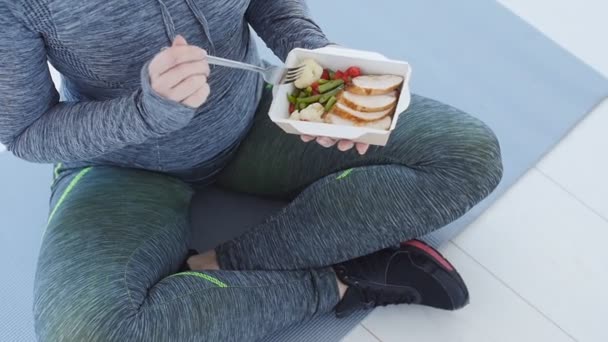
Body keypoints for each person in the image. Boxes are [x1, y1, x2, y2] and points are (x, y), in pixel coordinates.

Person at [0, 0, 503, 341]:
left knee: (466, 155)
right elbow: (25, 133)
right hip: (122, 164)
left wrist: (314, 59)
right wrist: (145, 112)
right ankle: (344, 281)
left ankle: (231, 263)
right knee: (86, 330)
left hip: (254, 116)